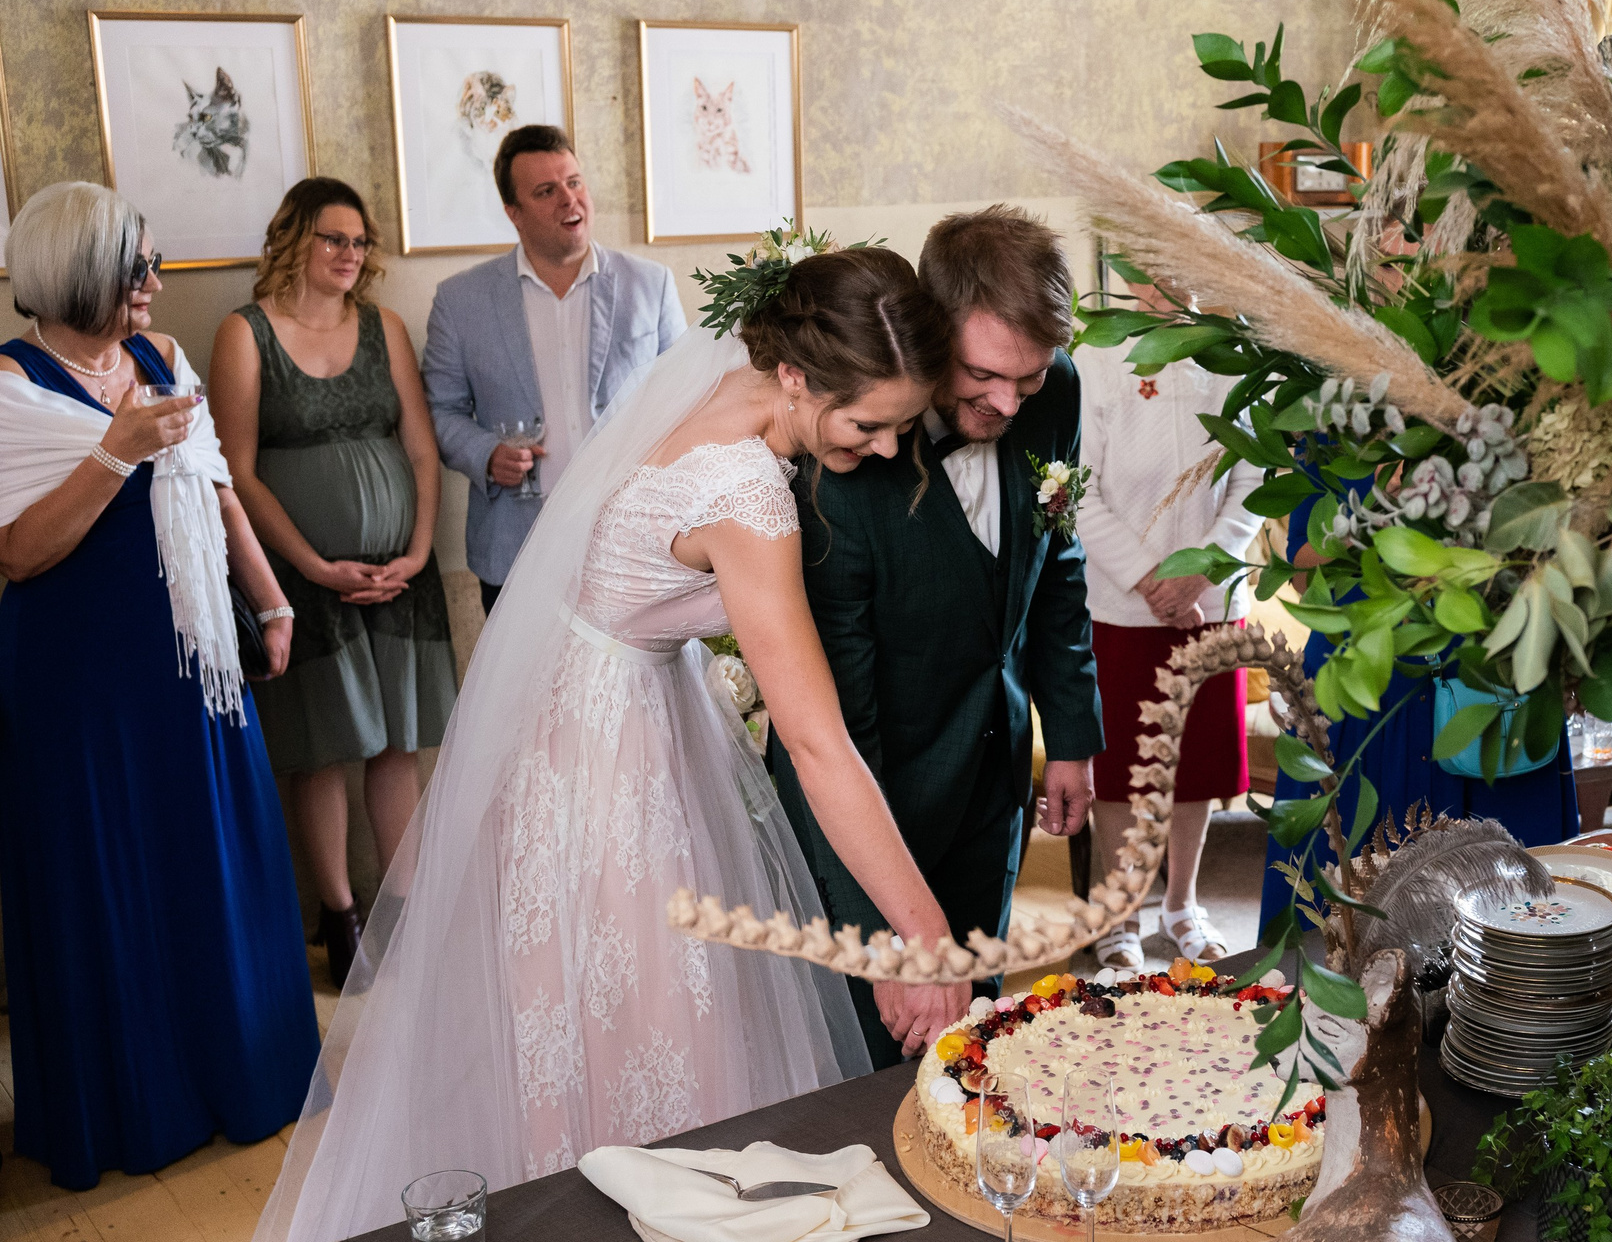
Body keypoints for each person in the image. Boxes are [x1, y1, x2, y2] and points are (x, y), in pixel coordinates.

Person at [49, 244, 961, 1242]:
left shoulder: (694, 404)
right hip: (620, 793)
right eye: (867, 426)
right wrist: (922, 934)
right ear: (797, 374)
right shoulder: (746, 490)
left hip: (577, 753)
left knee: (576, 1076)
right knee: (659, 1075)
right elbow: (815, 741)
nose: (872, 450)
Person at [0, 181, 315, 1193]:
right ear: (78, 274)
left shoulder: (163, 358)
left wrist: (268, 602)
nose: (154, 282)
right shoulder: (8, 388)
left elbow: (215, 486)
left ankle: (247, 1076)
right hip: (78, 682)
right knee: (112, 875)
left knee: (210, 858)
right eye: (138, 266)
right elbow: (15, 554)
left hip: (190, 660)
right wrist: (111, 453)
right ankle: (143, 1104)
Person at [769, 205, 1104, 1068]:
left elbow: (1056, 561)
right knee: (867, 1071)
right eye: (984, 374)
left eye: (1027, 381)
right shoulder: (847, 462)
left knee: (974, 1047)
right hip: (874, 804)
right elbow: (832, 731)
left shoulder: (1053, 389)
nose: (1006, 401)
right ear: (930, 327)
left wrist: (1069, 733)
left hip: (992, 785)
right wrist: (883, 938)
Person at [207, 178, 457, 985]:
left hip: (399, 574)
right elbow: (234, 471)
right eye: (333, 239)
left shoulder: (384, 328)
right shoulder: (245, 335)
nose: (351, 254)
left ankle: (409, 911)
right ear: (293, 240)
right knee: (321, 751)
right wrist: (311, 565)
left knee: (395, 745)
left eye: (360, 241)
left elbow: (420, 449)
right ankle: (340, 916)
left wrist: (418, 551)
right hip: (300, 578)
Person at [1257, 486, 1579, 935]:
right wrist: (1378, 502)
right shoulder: (1329, 431)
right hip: (1361, 688)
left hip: (1491, 683)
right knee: (1340, 936)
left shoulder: (1509, 422)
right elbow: (1303, 576)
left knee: (1522, 934)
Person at [422, 123, 686, 611]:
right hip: (515, 548)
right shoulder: (460, 301)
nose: (569, 200)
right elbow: (438, 411)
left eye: (574, 182)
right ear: (513, 213)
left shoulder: (651, 285)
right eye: (546, 191)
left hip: (632, 539)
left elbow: (685, 402)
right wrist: (485, 453)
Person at [1075, 307, 1265, 969]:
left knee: (1196, 765)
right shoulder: (1098, 355)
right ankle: (1121, 915)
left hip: (1210, 598)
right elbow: (1078, 489)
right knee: (1122, 767)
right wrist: (1148, 577)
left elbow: (1253, 477)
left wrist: (1200, 572)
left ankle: (1182, 906)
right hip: (1121, 599)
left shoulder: (1238, 352)